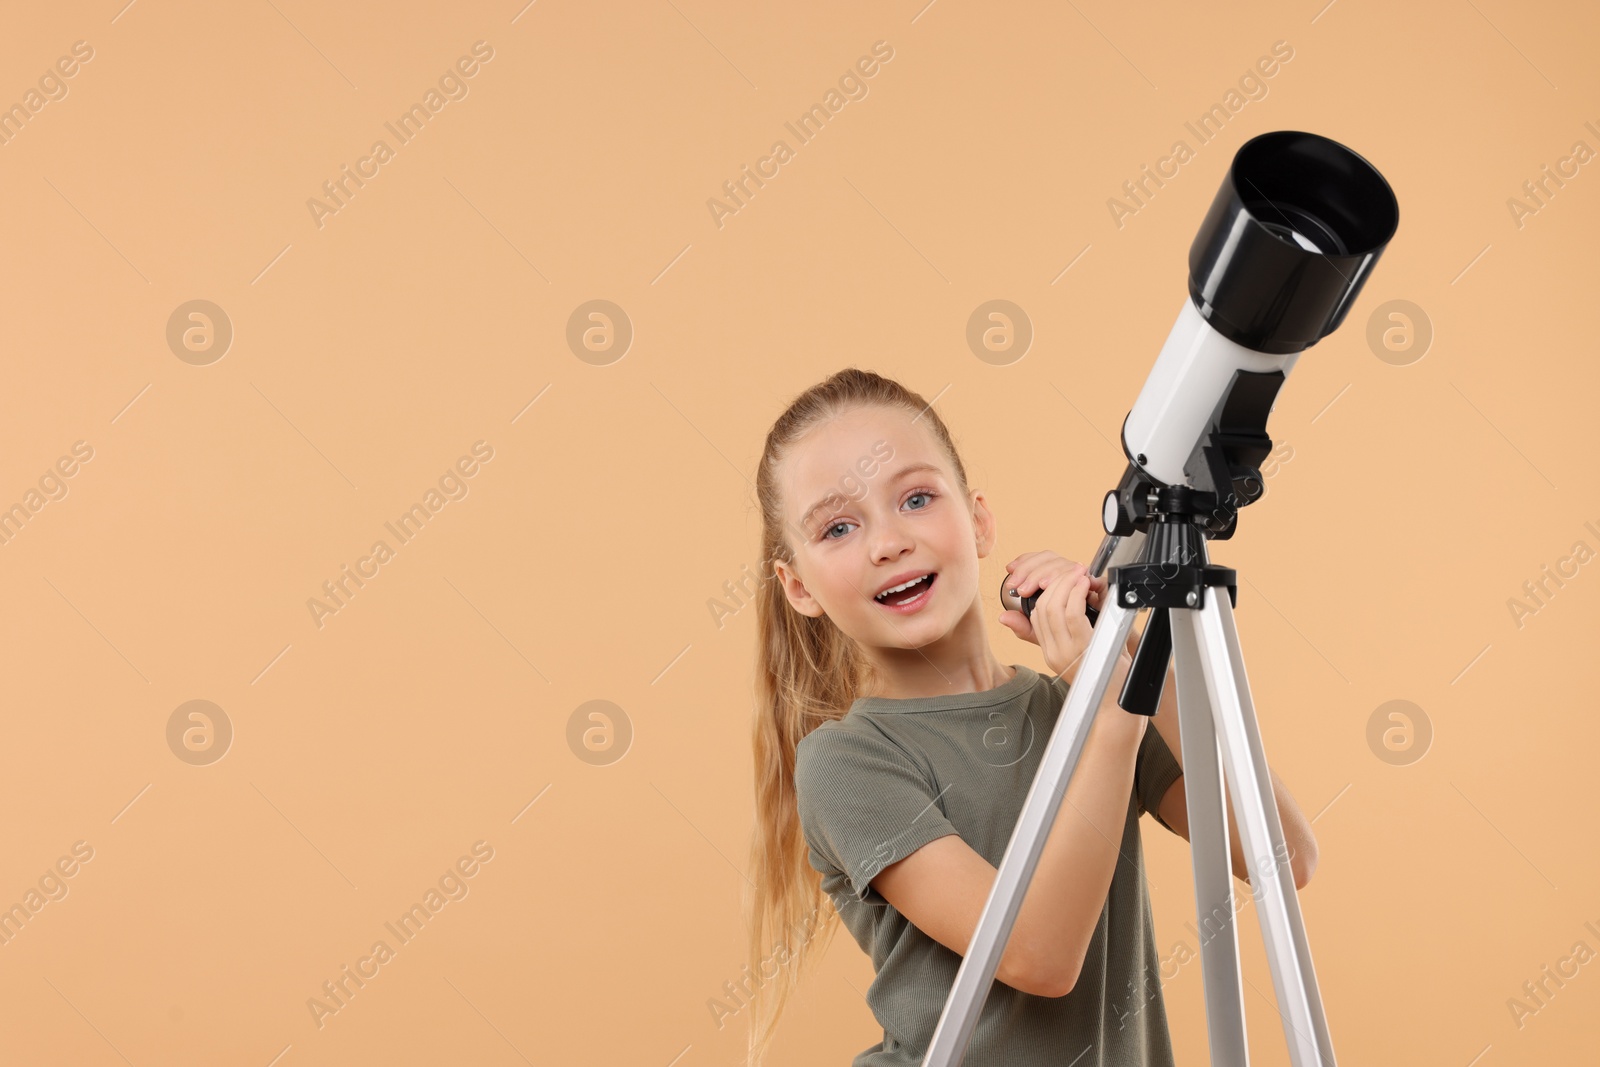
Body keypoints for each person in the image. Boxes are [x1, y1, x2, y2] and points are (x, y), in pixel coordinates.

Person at [742, 367, 1318, 1066]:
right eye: (837, 526)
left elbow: (1283, 856)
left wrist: (1129, 666)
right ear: (798, 586)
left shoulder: (1084, 702)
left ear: (979, 520)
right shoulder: (848, 761)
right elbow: (1036, 956)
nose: (887, 542)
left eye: (917, 497)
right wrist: (1110, 711)